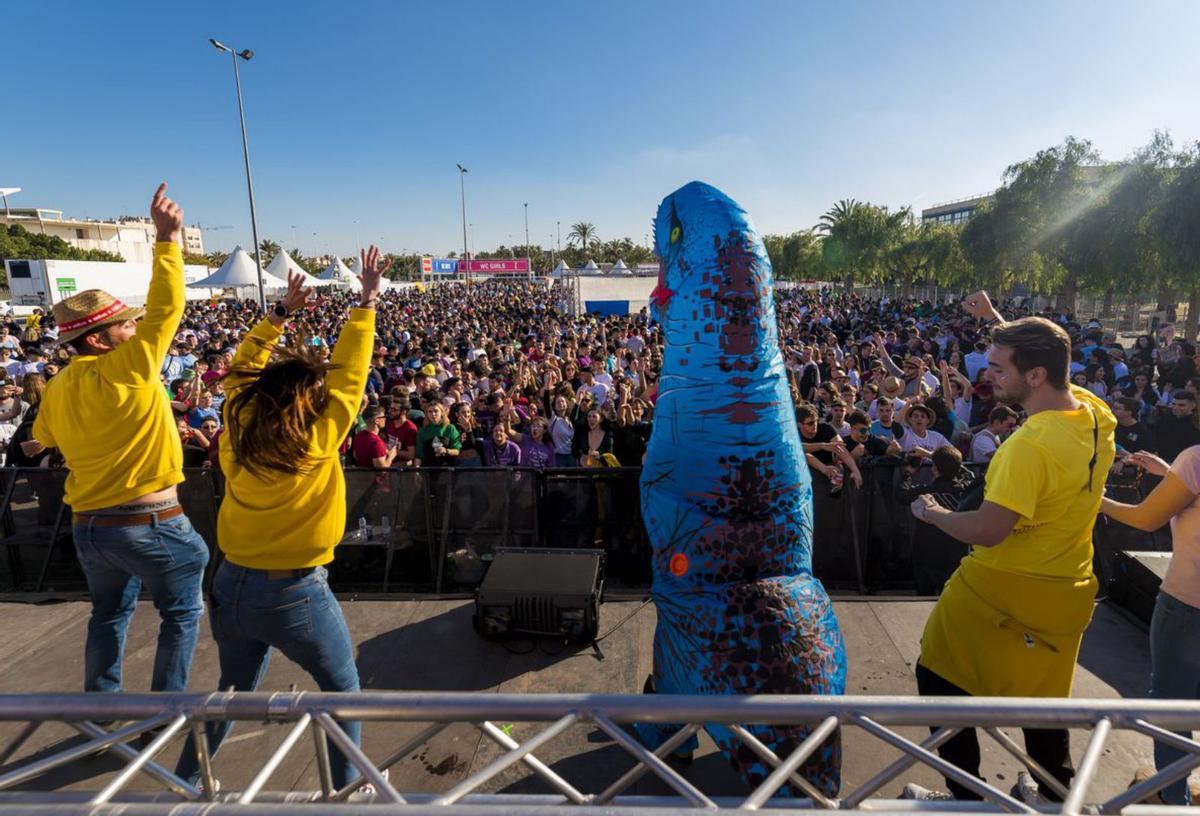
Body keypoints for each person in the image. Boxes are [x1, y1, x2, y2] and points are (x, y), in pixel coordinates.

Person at [175, 249, 390, 793]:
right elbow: (350, 373)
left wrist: (278, 318)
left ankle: (183, 780)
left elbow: (239, 373)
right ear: (307, 401)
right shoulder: (319, 436)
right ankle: (347, 791)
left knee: (230, 691)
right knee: (342, 693)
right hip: (295, 590)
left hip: (230, 583)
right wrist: (364, 302)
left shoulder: (237, 420)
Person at [905, 291, 1116, 803]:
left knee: (938, 677)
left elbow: (989, 529)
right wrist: (1000, 324)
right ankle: (1052, 791)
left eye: (1000, 367)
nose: (989, 375)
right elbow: (1051, 357)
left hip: (1000, 588)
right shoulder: (1094, 415)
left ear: (1036, 375)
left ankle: (965, 798)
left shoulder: (1027, 446)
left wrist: (934, 514)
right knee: (1042, 698)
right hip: (1067, 589)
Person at [32, 183, 209, 694]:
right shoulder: (127, 365)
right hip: (150, 522)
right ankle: (165, 713)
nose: (135, 332)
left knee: (108, 617)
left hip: (91, 528)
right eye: (123, 327)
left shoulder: (57, 387)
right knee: (181, 615)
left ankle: (100, 710)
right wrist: (167, 240)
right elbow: (167, 307)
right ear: (96, 339)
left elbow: (42, 438)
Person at [1100, 448, 1200, 806]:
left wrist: (1100, 501)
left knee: (1171, 706)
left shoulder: (1196, 460)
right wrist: (1172, 475)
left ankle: (1176, 802)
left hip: (1188, 608)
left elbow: (1146, 518)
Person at [896, 445, 978, 595]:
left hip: (926, 556)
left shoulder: (925, 493)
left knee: (923, 600)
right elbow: (969, 475)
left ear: (934, 468)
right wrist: (932, 454)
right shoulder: (967, 491)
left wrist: (908, 472)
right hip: (956, 555)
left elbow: (901, 494)